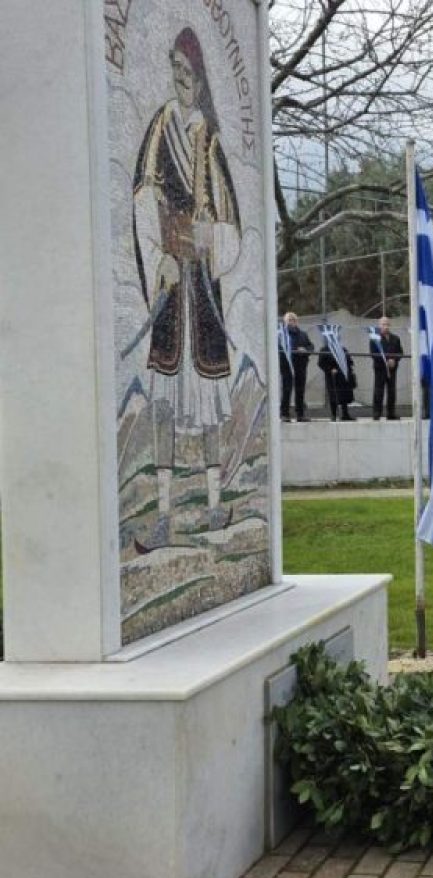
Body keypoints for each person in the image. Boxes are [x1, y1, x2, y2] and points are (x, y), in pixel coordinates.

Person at [132, 26, 242, 543]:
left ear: (199, 81)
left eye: (188, 75)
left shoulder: (210, 139)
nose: (181, 83)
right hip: (172, 284)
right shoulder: (159, 128)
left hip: (203, 283)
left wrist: (208, 238)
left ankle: (218, 503)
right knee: (164, 400)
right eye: (175, 73)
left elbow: (229, 221)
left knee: (210, 397)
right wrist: (158, 257)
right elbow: (143, 197)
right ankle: (162, 515)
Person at [278, 312, 313, 422]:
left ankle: (300, 414)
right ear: (285, 322)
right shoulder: (281, 334)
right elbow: (279, 347)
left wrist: (305, 350)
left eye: (294, 320)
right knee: (287, 389)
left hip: (301, 365)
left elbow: (311, 346)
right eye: (290, 320)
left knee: (300, 390)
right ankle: (284, 414)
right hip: (287, 365)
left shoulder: (303, 334)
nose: (292, 322)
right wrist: (294, 349)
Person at [369, 317, 404, 420]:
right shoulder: (374, 338)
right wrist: (386, 361)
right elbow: (373, 353)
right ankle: (377, 413)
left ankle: (391, 413)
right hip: (380, 369)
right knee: (378, 391)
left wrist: (394, 360)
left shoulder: (395, 338)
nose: (385, 326)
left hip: (392, 369)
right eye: (383, 324)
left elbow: (400, 352)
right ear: (379, 325)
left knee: (392, 391)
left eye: (387, 324)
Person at [318, 341, 357, 421]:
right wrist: (330, 369)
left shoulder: (342, 348)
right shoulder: (325, 349)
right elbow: (321, 363)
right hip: (333, 376)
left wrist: (350, 369)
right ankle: (333, 415)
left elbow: (349, 360)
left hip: (343, 375)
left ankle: (345, 414)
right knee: (333, 395)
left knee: (344, 395)